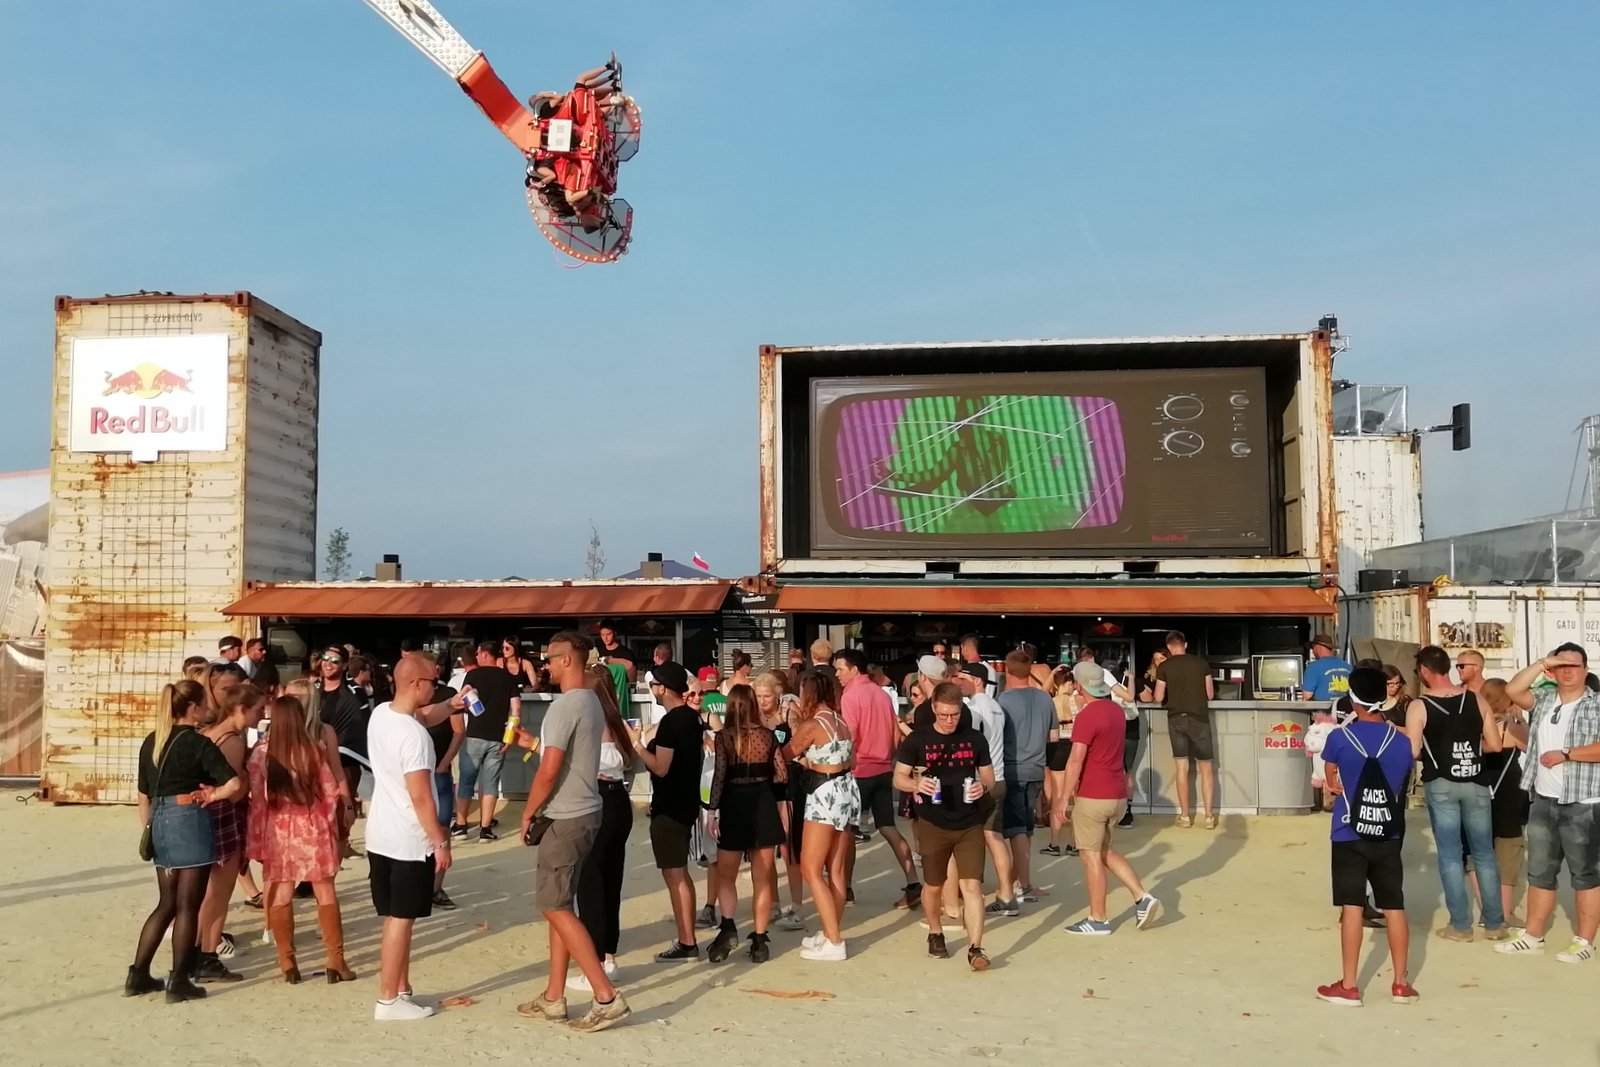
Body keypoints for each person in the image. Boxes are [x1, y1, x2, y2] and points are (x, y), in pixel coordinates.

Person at [514, 630, 630, 1033]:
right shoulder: (592, 702)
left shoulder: (565, 705)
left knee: (556, 907)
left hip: (566, 816)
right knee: (560, 904)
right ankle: (553, 996)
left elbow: (549, 770)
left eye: (549, 658)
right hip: (587, 810)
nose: (545, 665)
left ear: (566, 660)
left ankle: (606, 996)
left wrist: (527, 813)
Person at [126, 680, 245, 1003]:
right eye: (203, 704)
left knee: (166, 903)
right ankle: (179, 979)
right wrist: (213, 795)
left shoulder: (153, 740)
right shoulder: (197, 743)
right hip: (188, 819)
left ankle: (138, 973)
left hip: (159, 819)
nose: (207, 709)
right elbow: (234, 783)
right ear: (193, 707)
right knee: (188, 904)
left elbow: (143, 792)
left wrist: (148, 826)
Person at [1314, 667, 1419, 1007]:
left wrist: (1334, 781)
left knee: (1352, 906)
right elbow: (1402, 778)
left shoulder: (1339, 738)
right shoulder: (1401, 742)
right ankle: (1400, 983)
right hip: (1388, 830)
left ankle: (1349, 985)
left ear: (1353, 699)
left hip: (1348, 830)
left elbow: (1330, 772)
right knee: (1394, 905)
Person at [366, 653, 455, 1021]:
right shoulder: (414, 736)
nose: (436, 687)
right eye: (433, 682)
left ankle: (400, 988)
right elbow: (421, 796)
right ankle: (388, 999)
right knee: (401, 919)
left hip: (381, 834)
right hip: (408, 838)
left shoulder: (381, 714)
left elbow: (425, 714)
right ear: (418, 684)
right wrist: (440, 842)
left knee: (396, 917)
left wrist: (453, 705)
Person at [1497, 644, 1600, 961]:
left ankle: (1584, 941)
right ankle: (1533, 935)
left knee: (1585, 875)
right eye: (1560, 665)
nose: (1566, 671)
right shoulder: (1544, 699)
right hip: (1543, 799)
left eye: (1573, 665)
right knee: (1540, 873)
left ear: (1585, 669)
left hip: (1583, 801)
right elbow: (1513, 690)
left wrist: (1568, 754)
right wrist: (1543, 663)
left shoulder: (1596, 704)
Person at [1403, 644, 1510, 942]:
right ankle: (1495, 923)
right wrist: (1469, 750)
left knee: (1451, 855)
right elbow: (1495, 745)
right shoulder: (1476, 699)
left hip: (1441, 782)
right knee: (1484, 853)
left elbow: (1413, 750)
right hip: (1476, 780)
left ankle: (1460, 925)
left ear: (1424, 671)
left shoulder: (1419, 706)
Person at [248, 693, 354, 984]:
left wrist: (258, 840)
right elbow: (330, 791)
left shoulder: (261, 753)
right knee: (325, 892)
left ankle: (287, 962)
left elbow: (257, 801)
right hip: (313, 826)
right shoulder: (313, 750)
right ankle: (335, 960)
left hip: (278, 830)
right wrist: (332, 823)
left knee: (282, 894)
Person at [894, 681, 996, 970]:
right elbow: (898, 777)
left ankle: (975, 947)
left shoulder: (975, 738)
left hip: (969, 822)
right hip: (932, 821)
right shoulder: (917, 740)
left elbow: (989, 776)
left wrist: (982, 787)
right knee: (934, 885)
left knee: (972, 886)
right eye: (943, 715)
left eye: (955, 714)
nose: (950, 720)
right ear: (934, 709)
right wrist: (915, 784)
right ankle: (935, 931)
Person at [1057, 662, 1161, 936]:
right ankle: (1141, 896)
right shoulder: (1116, 710)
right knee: (1105, 851)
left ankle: (1098, 918)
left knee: (1090, 856)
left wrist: (1062, 799)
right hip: (1116, 794)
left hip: (1093, 795)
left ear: (1079, 686)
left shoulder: (1087, 717)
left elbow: (1075, 760)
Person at [704, 683, 786, 964]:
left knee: (726, 875)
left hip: (735, 805)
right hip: (763, 803)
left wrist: (712, 811)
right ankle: (760, 940)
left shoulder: (725, 737)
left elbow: (720, 776)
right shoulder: (768, 735)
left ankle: (728, 927)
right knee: (762, 880)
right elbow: (782, 774)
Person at [834, 648, 921, 910]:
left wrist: (842, 763)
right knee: (888, 827)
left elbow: (850, 735)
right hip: (883, 768)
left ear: (853, 670)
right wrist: (888, 756)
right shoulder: (882, 694)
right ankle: (913, 882)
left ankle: (845, 888)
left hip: (859, 771)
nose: (837, 674)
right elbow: (895, 732)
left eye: (840, 669)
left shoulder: (850, 696)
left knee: (847, 832)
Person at [568, 663, 637, 990]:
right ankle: (608, 956)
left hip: (600, 798)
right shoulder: (617, 721)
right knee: (610, 879)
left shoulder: (593, 721)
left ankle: (595, 962)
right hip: (618, 799)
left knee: (591, 881)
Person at [194, 685, 268, 984]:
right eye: (257, 709)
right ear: (240, 709)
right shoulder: (233, 741)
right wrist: (250, 776)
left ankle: (194, 951)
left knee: (205, 893)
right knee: (219, 894)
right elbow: (234, 791)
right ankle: (207, 956)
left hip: (204, 818)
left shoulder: (210, 732)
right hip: (224, 816)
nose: (261, 715)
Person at [783, 669, 859, 961]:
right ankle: (830, 932)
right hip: (845, 790)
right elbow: (850, 759)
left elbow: (786, 754)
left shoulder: (813, 725)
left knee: (810, 869)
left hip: (823, 794)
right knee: (836, 870)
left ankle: (835, 941)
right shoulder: (841, 721)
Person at [631, 661, 704, 961]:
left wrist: (637, 746)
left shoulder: (673, 721)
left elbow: (661, 767)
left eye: (654, 685)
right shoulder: (691, 717)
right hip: (686, 803)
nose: (652, 690)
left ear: (662, 688)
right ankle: (688, 938)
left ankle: (687, 942)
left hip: (670, 807)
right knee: (680, 874)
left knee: (674, 875)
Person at [1466, 678, 1529, 930]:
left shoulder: (1473, 724)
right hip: (1509, 794)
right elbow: (1531, 746)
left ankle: (1487, 910)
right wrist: (1520, 719)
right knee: (1508, 850)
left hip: (1477, 789)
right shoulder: (1511, 727)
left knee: (1476, 851)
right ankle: (1504, 912)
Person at [956, 664, 1016, 916]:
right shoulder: (997, 707)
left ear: (977, 681)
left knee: (967, 838)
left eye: (963, 678)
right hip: (999, 778)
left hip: (979, 782)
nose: (958, 683)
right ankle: (1007, 894)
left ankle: (969, 891)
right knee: (994, 837)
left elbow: (967, 745)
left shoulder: (973, 708)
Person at [998, 651, 1056, 904]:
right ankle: (1022, 882)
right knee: (1027, 828)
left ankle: (1023, 885)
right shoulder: (1045, 698)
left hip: (1012, 768)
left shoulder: (1003, 701)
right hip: (1036, 768)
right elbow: (1054, 736)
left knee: (1016, 829)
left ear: (1007, 671)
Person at [756, 671, 808, 931]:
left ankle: (797, 905)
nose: (762, 700)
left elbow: (802, 746)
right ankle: (774, 903)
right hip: (764, 787)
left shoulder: (789, 715)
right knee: (766, 848)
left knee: (789, 848)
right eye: (758, 696)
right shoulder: (754, 718)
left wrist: (779, 756)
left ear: (777, 694)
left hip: (788, 785)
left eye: (766, 695)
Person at [456, 641, 521, 842]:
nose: (476, 656)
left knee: (466, 781)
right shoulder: (508, 678)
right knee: (491, 783)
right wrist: (509, 736)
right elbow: (516, 709)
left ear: (485, 654)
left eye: (478, 652)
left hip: (474, 735)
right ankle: (485, 829)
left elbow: (465, 701)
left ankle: (460, 826)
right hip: (498, 737)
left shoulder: (473, 675)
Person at [1154, 632, 1216, 829]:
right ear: (1185, 644)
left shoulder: (1164, 666)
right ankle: (1208, 817)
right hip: (1199, 719)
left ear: (1169, 647)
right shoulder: (1201, 664)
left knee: (1182, 768)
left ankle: (1185, 816)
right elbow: (1210, 694)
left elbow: (1158, 697)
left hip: (1176, 719)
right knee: (1206, 768)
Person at [420, 661, 465, 910]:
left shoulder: (448, 693)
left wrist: (445, 763)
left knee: (443, 829)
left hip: (439, 772)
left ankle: (436, 888)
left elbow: (459, 731)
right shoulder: (410, 697)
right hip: (417, 774)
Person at [315, 648, 369, 819]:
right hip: (314, 763)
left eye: (335, 661)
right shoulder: (312, 689)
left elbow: (361, 728)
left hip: (344, 764)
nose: (328, 663)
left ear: (345, 665)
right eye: (325, 658)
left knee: (340, 819)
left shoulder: (355, 694)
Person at [1040, 666, 1081, 859]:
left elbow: (1042, 691)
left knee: (1057, 796)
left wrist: (1051, 675)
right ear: (1070, 683)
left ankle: (1055, 843)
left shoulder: (1050, 702)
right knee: (1076, 796)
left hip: (1055, 748)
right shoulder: (1078, 701)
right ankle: (1074, 843)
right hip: (1074, 746)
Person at [1301, 634, 1352, 703]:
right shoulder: (1348, 667)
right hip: (1345, 707)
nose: (1312, 652)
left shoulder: (1313, 667)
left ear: (1318, 647)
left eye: (1313, 648)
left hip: (1323, 708)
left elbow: (1307, 696)